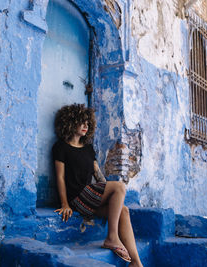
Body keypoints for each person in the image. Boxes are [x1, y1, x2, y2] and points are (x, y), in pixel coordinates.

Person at [52, 104, 143, 267]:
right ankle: (111, 238)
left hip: (90, 197)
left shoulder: (88, 149)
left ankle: (136, 262)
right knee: (120, 186)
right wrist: (65, 204)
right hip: (77, 197)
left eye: (88, 122)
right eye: (82, 122)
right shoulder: (61, 147)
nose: (86, 125)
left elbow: (98, 175)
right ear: (71, 122)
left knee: (124, 210)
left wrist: (109, 196)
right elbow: (60, 177)